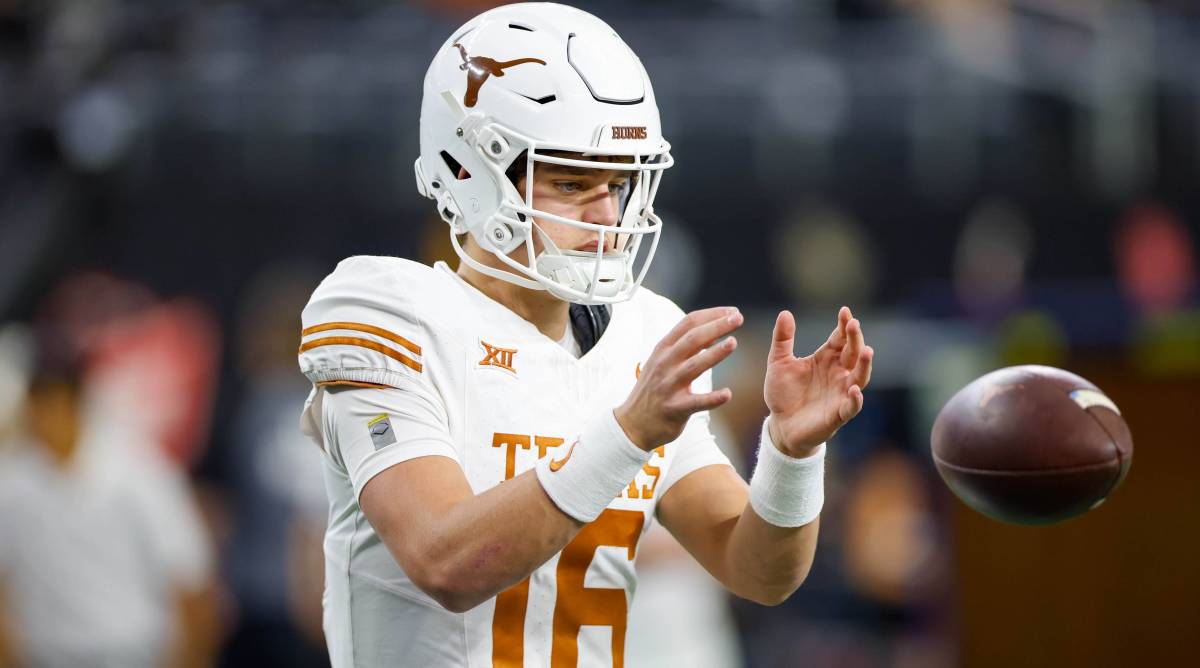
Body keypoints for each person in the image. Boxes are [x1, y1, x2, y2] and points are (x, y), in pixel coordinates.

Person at [297, 4, 873, 667]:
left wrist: (790, 456)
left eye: (620, 183)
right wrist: (626, 433)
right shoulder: (385, 310)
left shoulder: (642, 334)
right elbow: (445, 561)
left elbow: (759, 572)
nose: (607, 216)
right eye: (572, 182)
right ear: (469, 172)